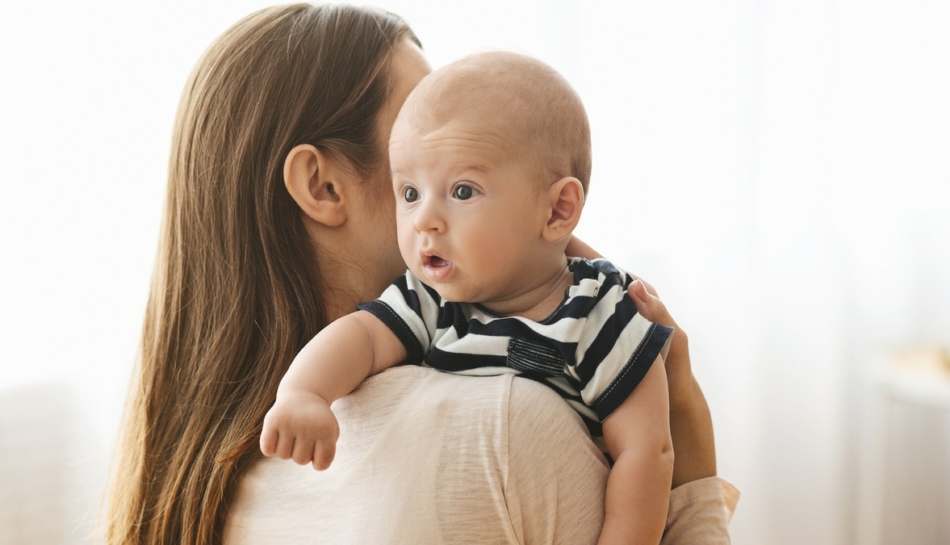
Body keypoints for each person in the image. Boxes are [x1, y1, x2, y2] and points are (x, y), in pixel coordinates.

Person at [101, 4, 738, 545]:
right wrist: (688, 439)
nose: (447, 138)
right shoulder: (507, 425)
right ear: (322, 186)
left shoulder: (195, 473)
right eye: (415, 135)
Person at [261, 51, 675, 544]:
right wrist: (305, 394)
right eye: (410, 193)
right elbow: (361, 338)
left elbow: (646, 453)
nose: (424, 220)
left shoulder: (601, 308)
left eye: (461, 191)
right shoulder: (434, 300)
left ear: (558, 209)